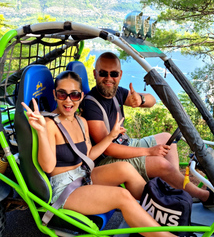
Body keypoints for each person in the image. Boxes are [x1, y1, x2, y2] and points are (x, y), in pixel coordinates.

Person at [22, 71, 176, 237]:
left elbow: (88, 156)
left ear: (81, 96)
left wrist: (110, 136)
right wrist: (42, 132)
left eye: (74, 95)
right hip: (64, 188)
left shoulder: (81, 122)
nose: (68, 100)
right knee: (122, 195)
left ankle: (162, 210)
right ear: (55, 94)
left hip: (83, 175)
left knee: (125, 168)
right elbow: (48, 166)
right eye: (62, 94)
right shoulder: (49, 124)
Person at [81, 52, 214, 207]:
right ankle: (203, 196)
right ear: (95, 74)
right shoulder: (91, 104)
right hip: (106, 161)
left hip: (126, 144)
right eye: (103, 73)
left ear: (120, 75)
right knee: (160, 163)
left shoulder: (116, 93)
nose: (108, 78)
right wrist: (149, 152)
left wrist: (140, 99)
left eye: (114, 74)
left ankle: (174, 186)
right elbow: (109, 149)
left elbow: (152, 100)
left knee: (166, 137)